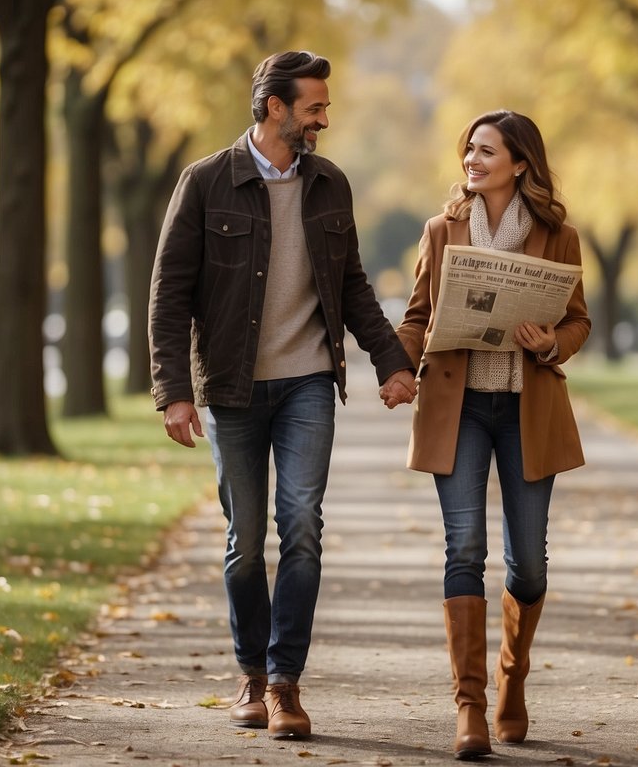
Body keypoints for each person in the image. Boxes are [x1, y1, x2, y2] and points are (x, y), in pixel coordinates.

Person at [148, 50, 416, 741]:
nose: (324, 118)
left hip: (305, 382)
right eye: (314, 108)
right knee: (244, 543)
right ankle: (251, 675)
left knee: (300, 528)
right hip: (231, 386)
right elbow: (168, 294)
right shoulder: (205, 181)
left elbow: (351, 283)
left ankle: (286, 683)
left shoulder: (330, 184)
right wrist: (174, 392)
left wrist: (391, 361)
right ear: (274, 108)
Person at [394, 110, 591, 759]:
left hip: (525, 409)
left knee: (527, 563)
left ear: (519, 163)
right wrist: (396, 367)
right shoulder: (440, 229)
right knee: (464, 548)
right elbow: (417, 316)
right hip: (460, 409)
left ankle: (513, 674)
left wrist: (549, 344)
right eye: (468, 150)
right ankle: (469, 707)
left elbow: (578, 323)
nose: (471, 160)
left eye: (485, 151)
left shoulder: (558, 234)